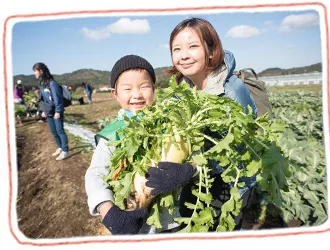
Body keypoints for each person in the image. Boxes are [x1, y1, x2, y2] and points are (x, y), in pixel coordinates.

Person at [161, 17, 259, 230]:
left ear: (212, 51)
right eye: (176, 49)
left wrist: (191, 169)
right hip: (198, 176)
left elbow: (239, 157)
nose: (183, 55)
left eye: (193, 46)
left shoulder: (232, 91)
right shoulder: (182, 90)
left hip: (232, 181)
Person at [85, 55, 195, 235]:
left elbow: (197, 156)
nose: (137, 95)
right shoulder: (112, 135)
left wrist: (189, 170)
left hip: (175, 221)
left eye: (144, 87)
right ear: (115, 93)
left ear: (153, 88)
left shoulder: (171, 124)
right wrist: (108, 211)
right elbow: (95, 174)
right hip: (136, 225)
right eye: (127, 89)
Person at [32, 62, 69, 160]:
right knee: (54, 132)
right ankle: (60, 147)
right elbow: (43, 98)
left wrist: (58, 111)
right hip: (48, 111)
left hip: (56, 111)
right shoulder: (42, 84)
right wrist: (43, 110)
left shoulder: (52, 83)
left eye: (35, 71)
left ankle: (65, 151)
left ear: (41, 71)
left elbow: (58, 99)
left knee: (60, 131)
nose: (34, 73)